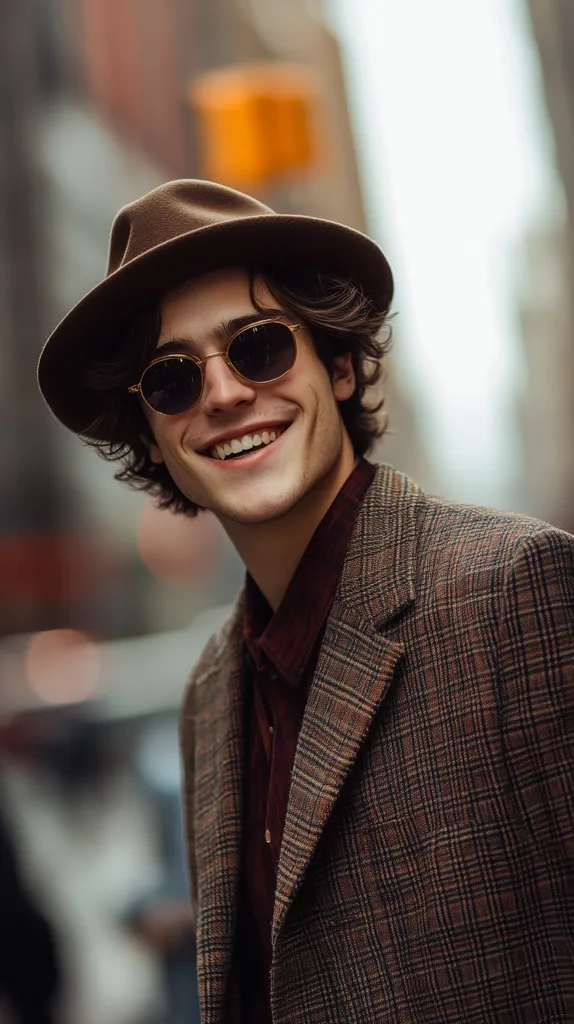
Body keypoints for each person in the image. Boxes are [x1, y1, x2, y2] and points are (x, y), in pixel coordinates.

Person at [37, 179, 574, 1023]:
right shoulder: (208, 692)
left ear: (340, 363)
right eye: (173, 379)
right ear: (152, 435)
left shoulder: (515, 590)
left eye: (257, 347)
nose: (221, 394)